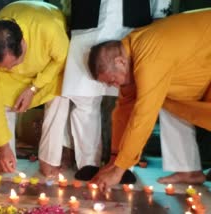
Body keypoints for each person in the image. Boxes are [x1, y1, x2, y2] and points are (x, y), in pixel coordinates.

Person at [41, 0, 195, 181]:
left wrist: (160, 14)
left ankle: (124, 165)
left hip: (132, 25)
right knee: (83, 98)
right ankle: (88, 163)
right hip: (87, 25)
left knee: (132, 98)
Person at [88, 10, 211, 191]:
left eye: (112, 80)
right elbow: (123, 111)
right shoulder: (131, 51)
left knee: (155, 102)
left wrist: (119, 170)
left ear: (120, 62)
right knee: (169, 102)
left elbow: (143, 116)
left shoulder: (149, 57)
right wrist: (115, 159)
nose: (114, 86)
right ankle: (189, 171)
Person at [0, 1, 69, 173]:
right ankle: (3, 158)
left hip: (46, 70)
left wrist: (34, 87)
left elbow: (62, 58)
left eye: (13, 64)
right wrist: (3, 146)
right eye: (3, 66)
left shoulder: (47, 29)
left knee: (60, 98)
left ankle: (49, 160)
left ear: (23, 45)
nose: (10, 69)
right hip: (9, 82)